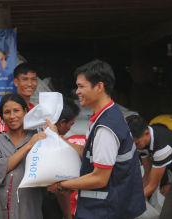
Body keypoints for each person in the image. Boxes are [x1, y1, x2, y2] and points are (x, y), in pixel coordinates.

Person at [46, 60, 146, 219]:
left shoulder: (106, 128)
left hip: (105, 210)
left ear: (99, 87)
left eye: (81, 86)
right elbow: (86, 153)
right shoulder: (108, 115)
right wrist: (57, 137)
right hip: (108, 208)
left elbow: (100, 178)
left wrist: (60, 185)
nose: (77, 91)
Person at [0, 93, 46, 219]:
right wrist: (28, 146)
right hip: (1, 209)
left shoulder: (38, 138)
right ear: (2, 116)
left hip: (29, 207)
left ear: (25, 112)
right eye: (7, 112)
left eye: (16, 111)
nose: (12, 116)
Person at [126, 115, 172, 219]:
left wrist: (129, 203)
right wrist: (130, 196)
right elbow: (147, 174)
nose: (134, 147)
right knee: (165, 216)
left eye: (136, 143)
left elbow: (152, 186)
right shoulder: (142, 143)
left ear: (147, 133)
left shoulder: (162, 147)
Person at [42, 97, 81, 219]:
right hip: (50, 205)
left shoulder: (37, 135)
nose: (70, 128)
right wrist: (68, 217)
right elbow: (63, 193)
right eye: (71, 124)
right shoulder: (60, 148)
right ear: (62, 122)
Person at [0, 62, 37, 134]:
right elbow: (2, 141)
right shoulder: (6, 110)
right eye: (25, 79)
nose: (30, 84)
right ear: (16, 82)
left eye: (33, 79)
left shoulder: (35, 110)